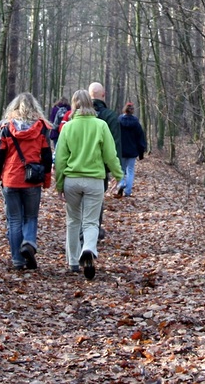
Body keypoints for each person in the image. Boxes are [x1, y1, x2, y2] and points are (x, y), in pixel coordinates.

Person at [54, 90, 123, 280]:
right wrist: (118, 175)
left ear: (74, 105)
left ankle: (73, 262)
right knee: (91, 221)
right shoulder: (101, 125)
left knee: (73, 220)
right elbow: (110, 154)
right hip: (95, 180)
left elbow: (60, 159)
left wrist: (59, 184)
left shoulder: (67, 127)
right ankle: (89, 248)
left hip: (72, 180)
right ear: (91, 105)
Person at [0, 92, 53, 271]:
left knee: (14, 220)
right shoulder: (42, 128)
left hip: (10, 179)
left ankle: (17, 260)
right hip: (32, 180)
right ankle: (28, 243)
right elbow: (46, 158)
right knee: (31, 217)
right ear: (35, 108)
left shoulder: (6, 128)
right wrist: (46, 180)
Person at [88, 82, 122, 240]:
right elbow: (115, 145)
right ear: (104, 95)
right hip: (99, 169)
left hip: (75, 168)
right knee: (96, 202)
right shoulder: (110, 116)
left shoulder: (75, 115)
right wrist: (116, 171)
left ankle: (82, 236)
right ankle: (93, 233)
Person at [115, 102, 146, 197]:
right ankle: (127, 191)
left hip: (121, 150)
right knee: (130, 170)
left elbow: (115, 135)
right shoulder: (136, 123)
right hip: (132, 151)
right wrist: (141, 151)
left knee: (121, 169)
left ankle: (121, 183)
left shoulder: (118, 121)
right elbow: (140, 138)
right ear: (132, 111)